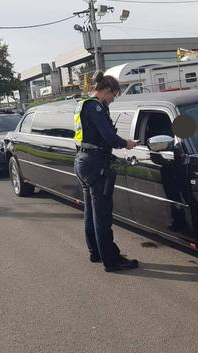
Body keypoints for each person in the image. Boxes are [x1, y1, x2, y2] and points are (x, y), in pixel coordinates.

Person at [73, 70, 139, 272]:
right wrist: (126, 143)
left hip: (83, 161)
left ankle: (95, 252)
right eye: (114, 95)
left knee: (91, 212)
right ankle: (112, 260)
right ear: (106, 90)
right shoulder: (96, 108)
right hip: (95, 163)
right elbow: (109, 137)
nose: (113, 100)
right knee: (102, 215)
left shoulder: (82, 104)